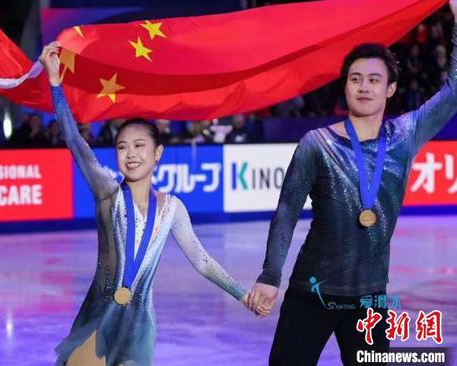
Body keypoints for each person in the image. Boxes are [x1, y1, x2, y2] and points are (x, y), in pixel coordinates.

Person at [248, 2, 457, 365]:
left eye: (374, 80)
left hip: (371, 300)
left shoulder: (405, 136)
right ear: (344, 86)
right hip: (310, 291)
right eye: (355, 79)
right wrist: (270, 275)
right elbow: (286, 212)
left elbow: (454, 91)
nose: (364, 87)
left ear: (390, 89)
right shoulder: (317, 144)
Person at [39, 41, 255, 366]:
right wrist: (56, 84)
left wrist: (242, 294)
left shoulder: (172, 209)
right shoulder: (107, 193)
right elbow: (75, 142)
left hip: (139, 325)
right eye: (122, 147)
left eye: (140, 145)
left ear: (157, 154)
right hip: (99, 315)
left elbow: (202, 261)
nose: (130, 154)